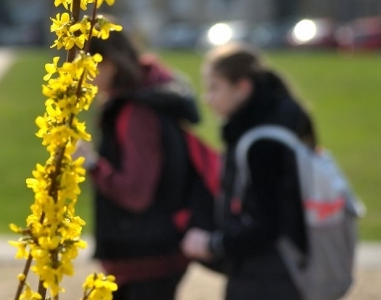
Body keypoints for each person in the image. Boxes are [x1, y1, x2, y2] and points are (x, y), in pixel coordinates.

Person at [76, 28, 211, 300]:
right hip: (145, 256)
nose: (81, 77)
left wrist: (92, 164)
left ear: (109, 63)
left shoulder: (137, 113)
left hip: (147, 260)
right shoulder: (140, 99)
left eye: (84, 66)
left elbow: (136, 192)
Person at [181, 42, 316, 300]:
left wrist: (213, 244)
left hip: (265, 277)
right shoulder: (284, 120)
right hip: (287, 269)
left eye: (214, 87)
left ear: (242, 88)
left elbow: (268, 224)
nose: (206, 97)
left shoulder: (261, 143)